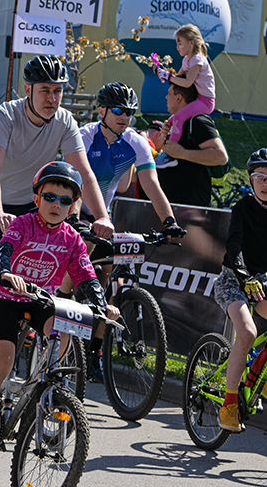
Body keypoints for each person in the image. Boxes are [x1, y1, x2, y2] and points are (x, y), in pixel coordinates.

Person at [0, 55, 114, 370]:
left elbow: (83, 172)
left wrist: (102, 216)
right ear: (28, 89)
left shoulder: (64, 121)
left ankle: (26, 343)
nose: (52, 98)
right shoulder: (5, 115)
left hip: (29, 203)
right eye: (45, 90)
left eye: (57, 91)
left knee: (35, 279)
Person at [0, 162, 117, 458]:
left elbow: (85, 275)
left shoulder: (71, 239)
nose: (56, 205)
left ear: (72, 206)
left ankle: (44, 386)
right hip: (6, 296)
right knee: (3, 359)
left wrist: (101, 303)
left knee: (64, 329)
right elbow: (3, 249)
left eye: (65, 200)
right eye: (50, 197)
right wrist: (5, 272)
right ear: (36, 198)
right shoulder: (22, 224)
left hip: (39, 299)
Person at [56, 83, 185, 379]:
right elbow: (76, 182)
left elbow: (152, 184)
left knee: (109, 276)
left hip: (103, 216)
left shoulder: (135, 142)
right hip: (72, 208)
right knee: (81, 255)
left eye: (129, 112)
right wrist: (74, 218)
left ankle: (95, 351)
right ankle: (60, 303)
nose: (124, 117)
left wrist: (169, 221)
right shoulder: (84, 136)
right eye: (117, 110)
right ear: (101, 110)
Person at [213, 149, 267, 432]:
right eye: (259, 177)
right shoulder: (243, 208)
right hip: (233, 279)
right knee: (247, 333)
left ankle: (256, 378)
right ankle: (229, 405)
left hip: (262, 283)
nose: (265, 183)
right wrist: (244, 276)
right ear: (250, 180)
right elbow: (234, 245)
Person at [155, 82, 228, 207]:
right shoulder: (177, 122)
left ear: (178, 98)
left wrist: (182, 153)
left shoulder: (198, 121)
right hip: (172, 205)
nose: (166, 97)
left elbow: (221, 156)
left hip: (191, 207)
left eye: (169, 94)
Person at [155, 24, 216, 168]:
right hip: (199, 98)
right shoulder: (186, 60)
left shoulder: (197, 59)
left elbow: (187, 83)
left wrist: (169, 76)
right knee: (171, 120)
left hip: (206, 101)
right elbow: (178, 79)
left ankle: (170, 154)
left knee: (178, 117)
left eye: (180, 43)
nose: (177, 47)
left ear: (191, 43)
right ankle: (166, 148)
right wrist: (162, 72)